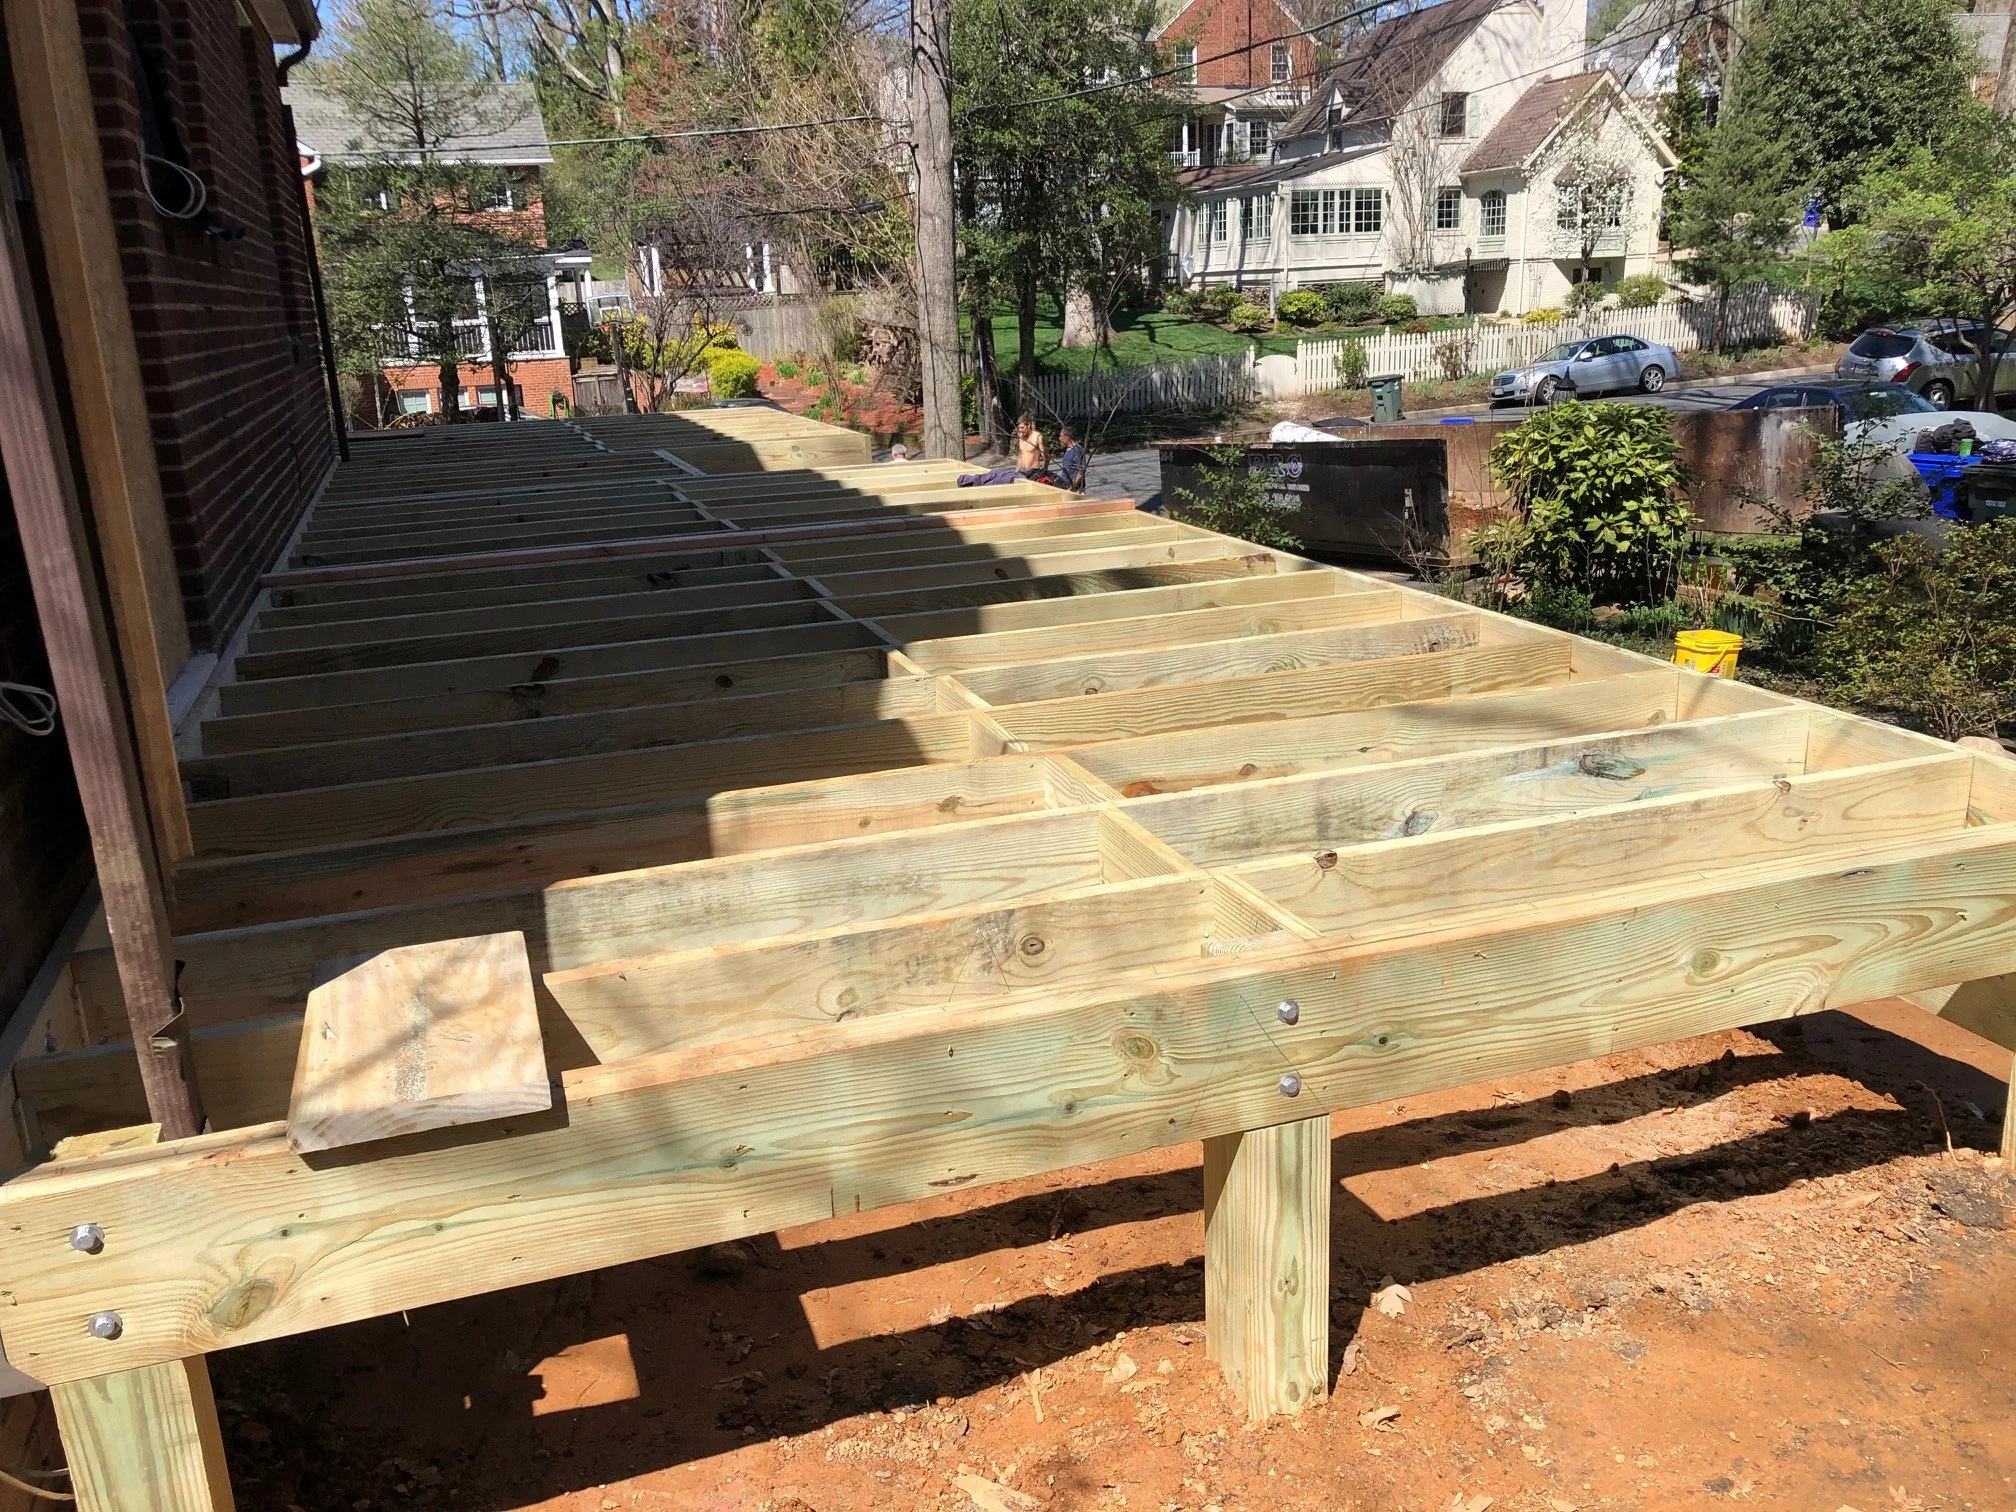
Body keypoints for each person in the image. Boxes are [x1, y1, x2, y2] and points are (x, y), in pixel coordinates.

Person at [959, 414, 1051, 487]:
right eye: (1019, 428)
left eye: (1022, 428)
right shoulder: (1021, 437)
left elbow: (1046, 455)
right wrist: (1017, 470)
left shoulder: (1037, 437)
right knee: (997, 475)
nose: (1020, 430)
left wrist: (1044, 470)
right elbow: (1021, 455)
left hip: (1033, 471)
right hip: (1021, 472)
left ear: (1028, 425)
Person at [1038, 421, 1086, 492]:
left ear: (1067, 437)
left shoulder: (1078, 450)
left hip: (1076, 488)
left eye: (1061, 436)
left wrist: (1072, 486)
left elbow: (1081, 472)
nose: (1059, 438)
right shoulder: (1067, 450)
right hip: (1067, 486)